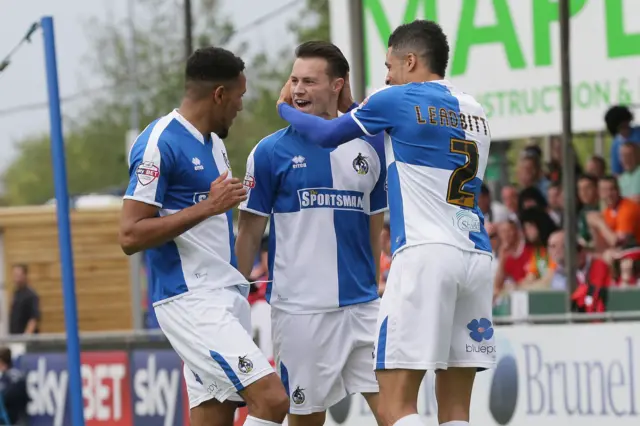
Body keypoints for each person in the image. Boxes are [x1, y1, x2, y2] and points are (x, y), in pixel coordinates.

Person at [277, 20, 494, 426]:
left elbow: (327, 136)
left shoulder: (394, 98)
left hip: (425, 255)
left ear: (410, 60)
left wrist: (285, 107)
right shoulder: (475, 110)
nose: (386, 75)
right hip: (476, 257)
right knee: (456, 412)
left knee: (395, 406)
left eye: (390, 65)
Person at [119, 47, 288, 426]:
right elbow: (130, 234)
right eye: (239, 97)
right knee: (272, 401)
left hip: (224, 295)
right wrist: (207, 207)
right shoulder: (158, 143)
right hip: (191, 301)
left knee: (214, 416)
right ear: (219, 94)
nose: (241, 107)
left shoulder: (215, 143)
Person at [235, 41, 387, 426]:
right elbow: (249, 233)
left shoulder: (369, 149)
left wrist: (372, 286)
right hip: (302, 314)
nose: (298, 89)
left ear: (337, 85)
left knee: (396, 412)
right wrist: (233, 299)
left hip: (363, 308)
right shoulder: (269, 153)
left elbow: (373, 224)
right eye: (294, 80)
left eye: (310, 81)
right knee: (307, 420)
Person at [9, 264, 40, 335]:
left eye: (18, 275)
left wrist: (26, 336)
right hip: (14, 336)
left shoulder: (31, 295)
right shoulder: (16, 293)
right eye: (15, 275)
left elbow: (34, 318)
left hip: (25, 339)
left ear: (24, 275)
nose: (16, 278)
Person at [0, 347, 28, 425]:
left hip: (11, 419)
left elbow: (7, 396)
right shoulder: (19, 374)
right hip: (21, 418)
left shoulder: (6, 379)